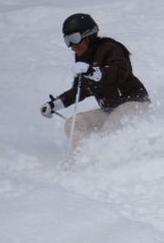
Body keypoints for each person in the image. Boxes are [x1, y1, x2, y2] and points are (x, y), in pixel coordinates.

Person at [40, 13, 150, 148]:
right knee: (73, 124)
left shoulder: (111, 48)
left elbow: (119, 71)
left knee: (108, 132)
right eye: (67, 40)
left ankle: (105, 162)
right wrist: (55, 105)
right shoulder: (83, 59)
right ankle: (84, 158)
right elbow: (81, 89)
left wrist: (93, 72)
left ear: (89, 35)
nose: (72, 46)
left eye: (75, 38)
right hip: (109, 110)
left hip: (134, 103)